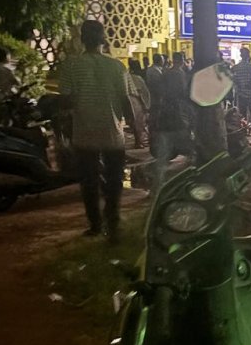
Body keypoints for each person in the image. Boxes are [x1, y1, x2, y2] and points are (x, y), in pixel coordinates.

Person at [58, 20, 133, 239]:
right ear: (103, 39)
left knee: (89, 182)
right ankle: (113, 221)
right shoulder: (117, 66)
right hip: (113, 133)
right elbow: (125, 100)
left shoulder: (71, 66)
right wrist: (136, 129)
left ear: (82, 39)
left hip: (85, 133)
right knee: (114, 180)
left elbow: (66, 100)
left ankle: (95, 225)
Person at [150, 51, 192, 188]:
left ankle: (157, 187)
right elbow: (184, 93)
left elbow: (160, 92)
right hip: (179, 116)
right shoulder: (180, 74)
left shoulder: (165, 73)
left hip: (165, 116)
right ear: (182, 60)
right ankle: (186, 184)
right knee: (189, 152)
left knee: (163, 155)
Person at [231, 47, 251, 145]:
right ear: (248, 55)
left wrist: (237, 83)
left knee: (242, 118)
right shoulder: (250, 66)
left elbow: (231, 77)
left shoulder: (236, 67)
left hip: (241, 95)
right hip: (250, 95)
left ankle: (242, 140)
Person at [127, 59, 150, 149]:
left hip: (129, 102)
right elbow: (144, 92)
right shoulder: (138, 78)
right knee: (139, 123)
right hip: (138, 102)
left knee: (133, 123)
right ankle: (139, 142)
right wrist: (146, 105)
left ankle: (138, 141)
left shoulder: (127, 77)